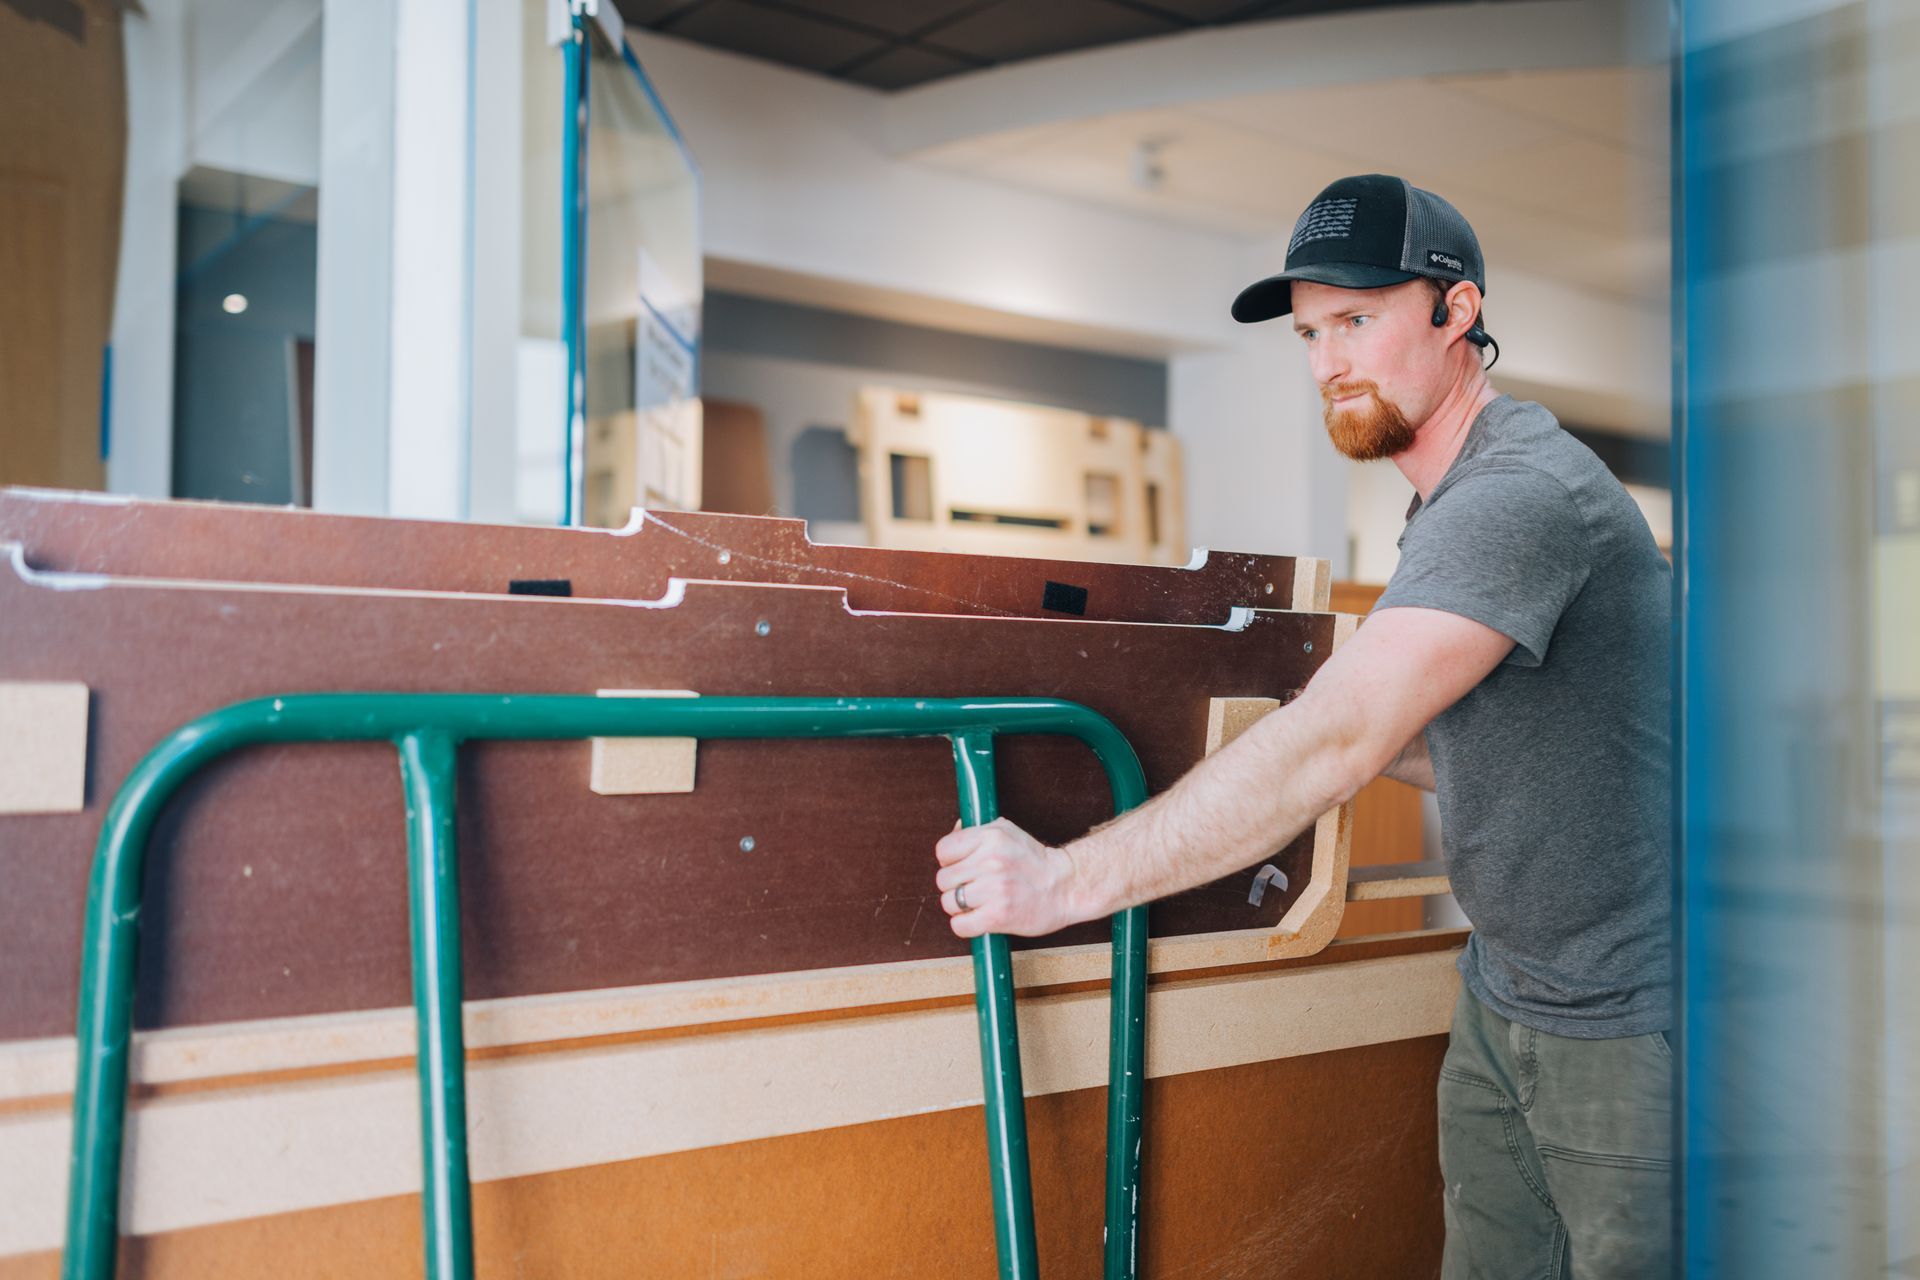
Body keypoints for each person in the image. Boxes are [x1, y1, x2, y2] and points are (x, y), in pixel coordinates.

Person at [932, 173, 1672, 1278]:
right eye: (1311, 332)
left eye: (1361, 320)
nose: (1329, 362)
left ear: (1456, 310)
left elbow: (1344, 742)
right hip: (1510, 990)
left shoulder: (1516, 496)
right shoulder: (1446, 499)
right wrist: (1234, 733)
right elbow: (1464, 742)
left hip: (1636, 1015)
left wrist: (1063, 881)